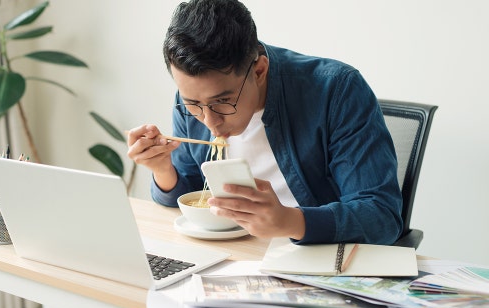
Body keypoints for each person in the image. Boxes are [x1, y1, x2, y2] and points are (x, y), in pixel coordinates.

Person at [126, 0, 403, 245]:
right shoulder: (195, 98)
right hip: (233, 256)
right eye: (193, 104)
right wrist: (163, 169)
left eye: (224, 102)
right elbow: (190, 196)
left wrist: (291, 221)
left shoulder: (336, 90)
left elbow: (382, 216)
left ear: (259, 70)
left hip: (316, 266)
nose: (210, 121)